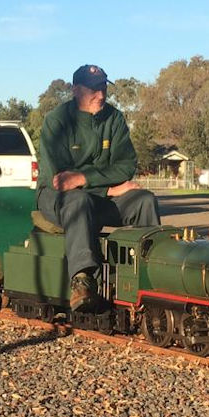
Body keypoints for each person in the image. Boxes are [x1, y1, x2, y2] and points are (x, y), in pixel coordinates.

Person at [37, 64, 160, 312]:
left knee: (143, 199)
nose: (101, 95)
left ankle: (152, 273)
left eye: (103, 87)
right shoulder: (56, 121)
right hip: (58, 200)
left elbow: (126, 166)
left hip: (100, 198)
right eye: (93, 89)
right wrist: (107, 189)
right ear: (75, 90)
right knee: (77, 201)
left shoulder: (114, 118)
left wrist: (85, 179)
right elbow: (61, 182)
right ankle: (82, 280)